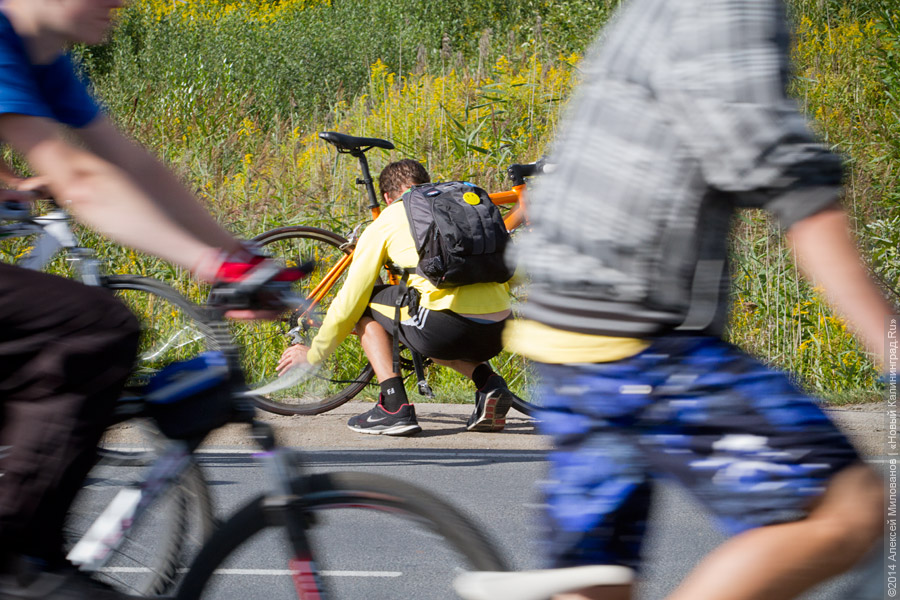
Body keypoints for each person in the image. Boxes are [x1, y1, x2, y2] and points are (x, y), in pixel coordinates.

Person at [498, 1, 888, 599]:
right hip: (635, 333)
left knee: (596, 580)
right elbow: (782, 170)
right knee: (846, 508)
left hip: (559, 322)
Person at [0, 1, 302, 598]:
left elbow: (133, 162)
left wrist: (242, 257)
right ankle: (17, 561)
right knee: (91, 327)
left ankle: (32, 554)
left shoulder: (44, 58)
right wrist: (212, 264)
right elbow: (80, 178)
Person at [277, 159, 514, 436]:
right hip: (499, 329)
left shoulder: (389, 218)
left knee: (370, 305)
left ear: (388, 197)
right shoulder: (462, 208)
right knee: (419, 317)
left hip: (444, 330)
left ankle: (393, 407)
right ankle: (489, 384)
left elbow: (350, 301)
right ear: (425, 181)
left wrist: (315, 354)